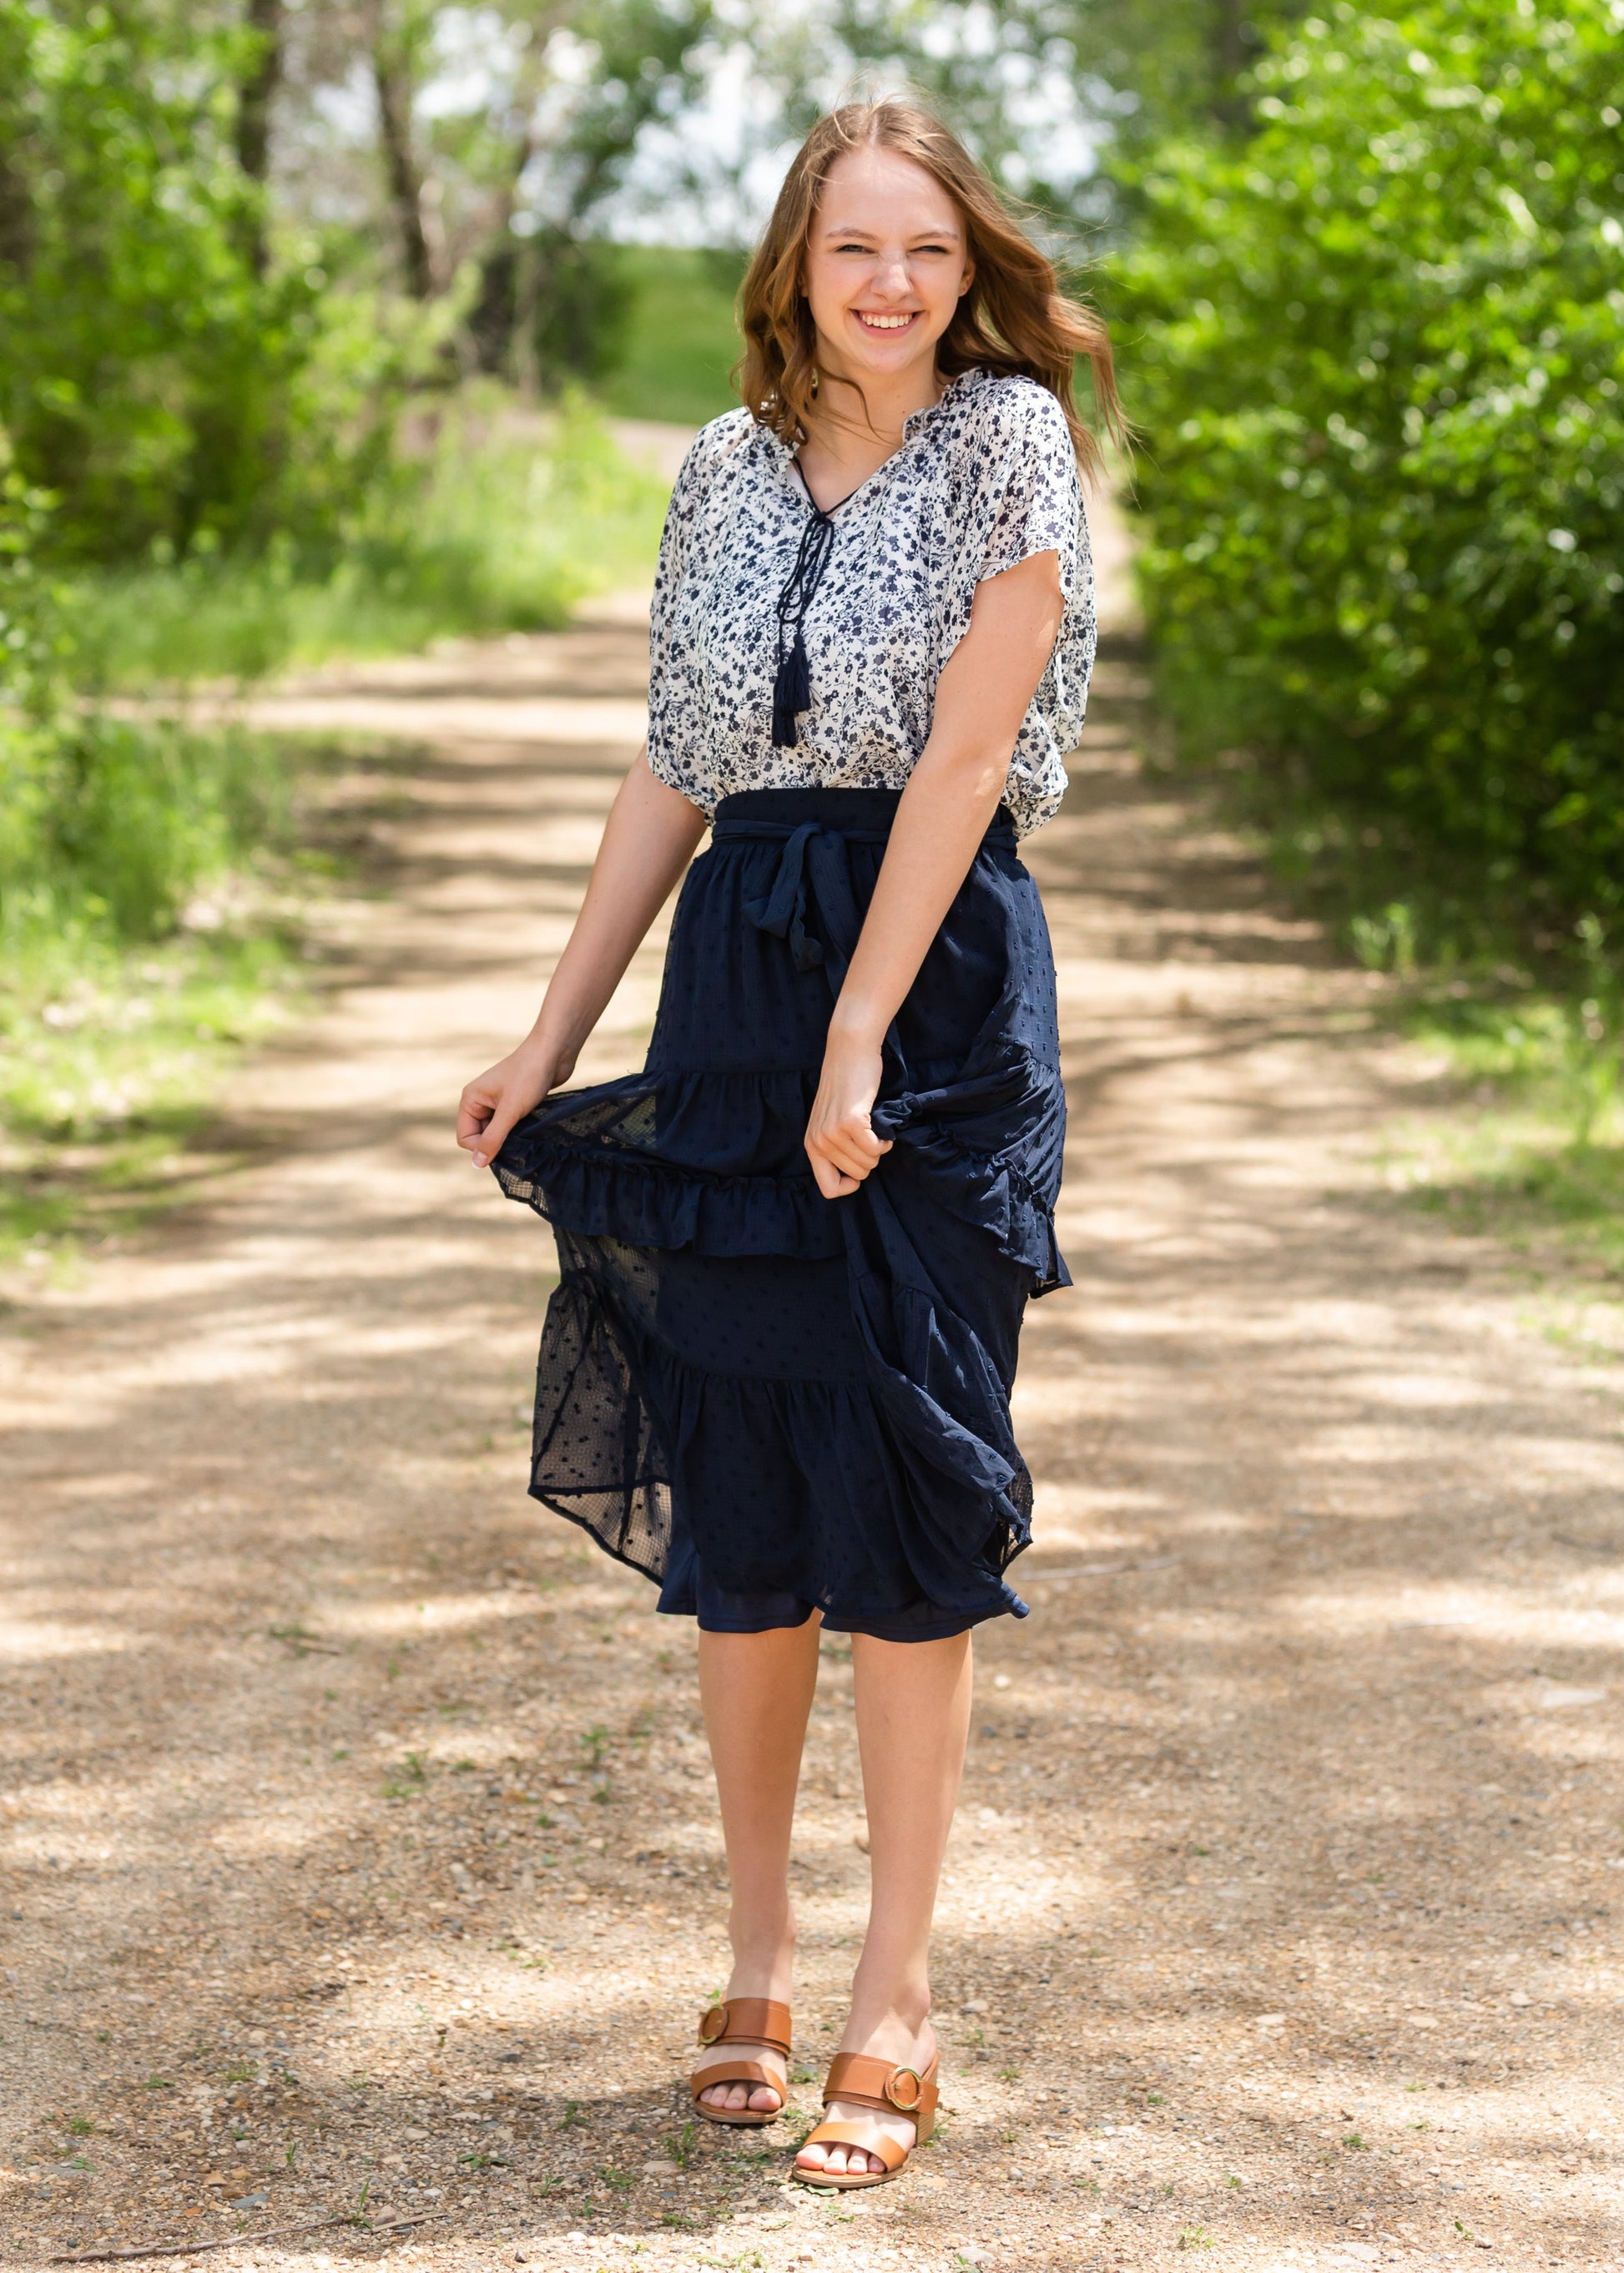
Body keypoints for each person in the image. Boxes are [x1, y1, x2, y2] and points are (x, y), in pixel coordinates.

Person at [456, 94, 1120, 2189]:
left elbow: (964, 754)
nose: (897, 288)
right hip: (737, 988)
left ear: (968, 262)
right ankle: (749, 1959)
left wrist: (859, 1033)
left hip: (921, 996)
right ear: (793, 269)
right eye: (857, 253)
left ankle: (892, 1993)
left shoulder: (1008, 442)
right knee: (744, 1510)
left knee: (911, 1503)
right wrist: (549, 1033)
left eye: (928, 251)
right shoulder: (718, 475)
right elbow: (679, 760)